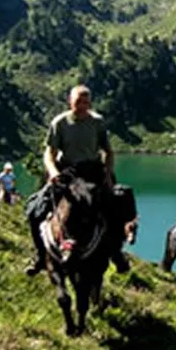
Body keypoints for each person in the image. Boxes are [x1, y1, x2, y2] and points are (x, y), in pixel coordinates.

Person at [24, 84, 129, 275]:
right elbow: (49, 153)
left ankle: (116, 252)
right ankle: (40, 256)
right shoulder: (60, 123)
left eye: (86, 102)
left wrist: (108, 174)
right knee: (35, 210)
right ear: (70, 101)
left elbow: (108, 151)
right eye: (78, 102)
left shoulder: (97, 122)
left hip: (93, 171)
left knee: (116, 207)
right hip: (67, 172)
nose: (82, 106)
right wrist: (53, 172)